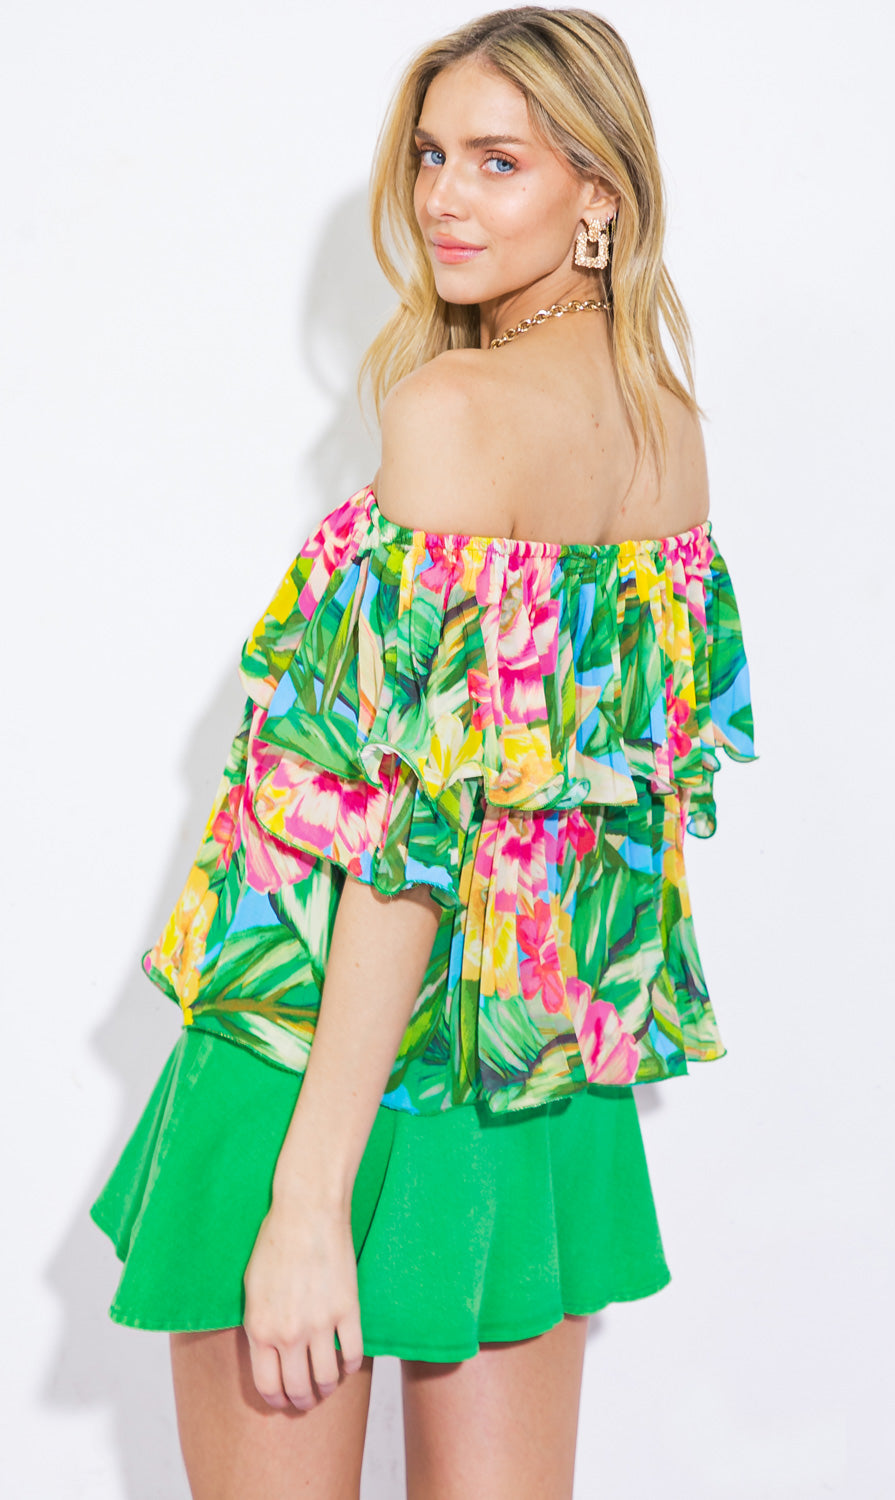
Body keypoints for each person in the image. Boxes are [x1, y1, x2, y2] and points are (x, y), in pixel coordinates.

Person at [91, 8, 757, 1498]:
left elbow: (407, 838)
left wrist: (308, 1197)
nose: (445, 196)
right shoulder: (666, 434)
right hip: (528, 1075)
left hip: (305, 1055)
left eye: (498, 161)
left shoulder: (452, 411)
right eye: (433, 154)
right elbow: (597, 823)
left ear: (600, 193)